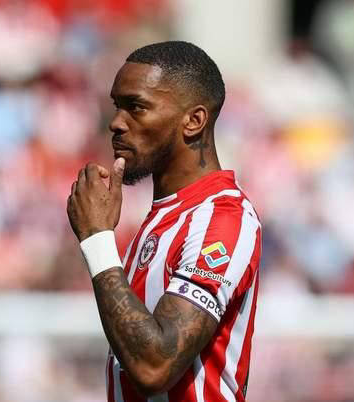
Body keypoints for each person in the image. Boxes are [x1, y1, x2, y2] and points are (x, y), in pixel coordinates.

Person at [67, 41, 262, 401]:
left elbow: (154, 366)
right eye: (117, 106)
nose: (116, 123)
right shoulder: (164, 217)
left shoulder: (222, 218)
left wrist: (97, 238)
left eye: (136, 107)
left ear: (194, 121)